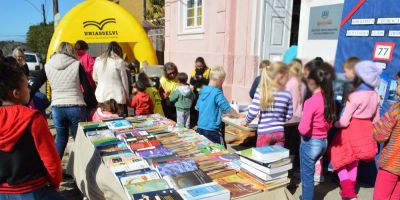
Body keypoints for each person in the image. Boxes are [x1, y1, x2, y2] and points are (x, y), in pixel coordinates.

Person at [0, 61, 65, 200]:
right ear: (16, 93)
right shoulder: (33, 118)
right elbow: (51, 161)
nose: (29, 89)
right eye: (26, 86)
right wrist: (55, 183)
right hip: (34, 190)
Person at [328, 60, 381, 199]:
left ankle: (348, 191)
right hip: (366, 130)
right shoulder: (375, 96)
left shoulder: (355, 95)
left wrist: (335, 124)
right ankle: (348, 190)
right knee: (354, 161)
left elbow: (344, 121)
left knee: (338, 158)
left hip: (351, 131)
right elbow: (376, 119)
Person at [298, 63, 336, 200]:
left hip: (310, 142)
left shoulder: (311, 101)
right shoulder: (329, 99)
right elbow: (331, 122)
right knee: (311, 174)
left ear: (311, 82)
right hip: (323, 141)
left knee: (307, 176)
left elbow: (303, 128)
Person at [45, 42, 90, 159]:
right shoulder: (76, 65)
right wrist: (91, 104)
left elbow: (36, 85)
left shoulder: (48, 65)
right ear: (72, 51)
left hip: (57, 107)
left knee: (60, 139)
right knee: (79, 140)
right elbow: (87, 88)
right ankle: (81, 171)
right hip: (76, 105)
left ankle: (55, 172)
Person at [242, 62, 293, 147]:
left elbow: (253, 112)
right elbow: (289, 115)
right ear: (281, 76)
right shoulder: (287, 93)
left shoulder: (261, 90)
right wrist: (279, 118)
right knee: (277, 159)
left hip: (264, 134)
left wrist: (246, 121)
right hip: (279, 133)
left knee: (262, 159)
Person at [373, 72, 400, 200]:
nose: (396, 87)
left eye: (398, 84)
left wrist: (375, 126)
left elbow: (380, 135)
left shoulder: (396, 108)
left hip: (391, 163)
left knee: (380, 197)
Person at [196, 66, 240, 145]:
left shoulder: (203, 90)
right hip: (212, 129)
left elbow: (197, 107)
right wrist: (237, 115)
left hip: (200, 126)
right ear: (220, 80)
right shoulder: (217, 93)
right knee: (221, 152)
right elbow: (227, 108)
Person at [93, 42, 130, 115]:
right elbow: (124, 80)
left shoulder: (98, 60)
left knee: (103, 119)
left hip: (102, 96)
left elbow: (94, 77)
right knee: (119, 121)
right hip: (117, 96)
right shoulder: (119, 61)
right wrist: (127, 96)